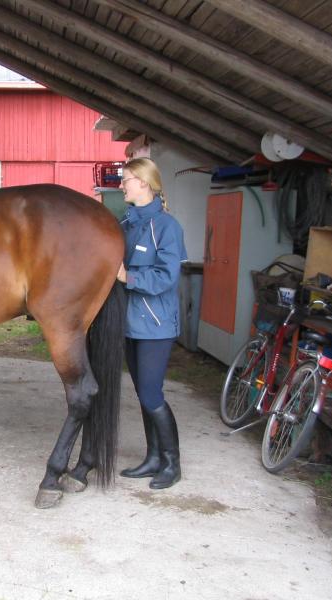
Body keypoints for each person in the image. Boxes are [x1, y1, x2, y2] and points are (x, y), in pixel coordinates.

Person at [116, 157, 187, 489]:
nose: (121, 184)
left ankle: (172, 463)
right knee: (143, 392)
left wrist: (127, 276)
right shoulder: (128, 223)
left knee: (150, 392)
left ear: (143, 183)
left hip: (156, 325)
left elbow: (166, 277)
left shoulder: (167, 227)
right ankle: (153, 458)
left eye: (126, 179)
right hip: (131, 323)